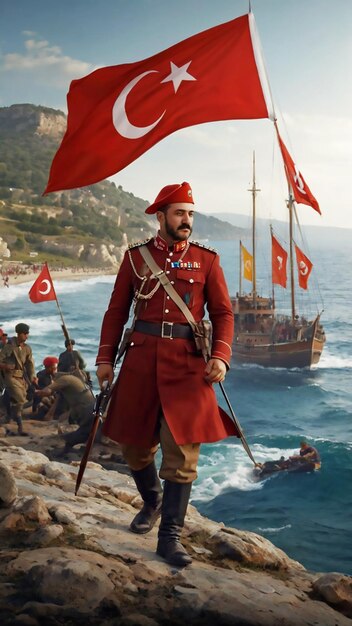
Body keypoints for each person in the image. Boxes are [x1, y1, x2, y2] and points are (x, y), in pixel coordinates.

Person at [96, 181, 238, 567]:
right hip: (140, 363)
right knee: (133, 446)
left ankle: (170, 537)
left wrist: (222, 357)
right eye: (179, 213)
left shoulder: (207, 261)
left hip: (187, 368)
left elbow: (223, 314)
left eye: (190, 213)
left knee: (182, 453)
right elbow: (116, 312)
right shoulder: (135, 258)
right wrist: (105, 359)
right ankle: (152, 500)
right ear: (161, 217)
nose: (186, 220)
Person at [35, 371, 96, 452]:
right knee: (89, 429)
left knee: (85, 431)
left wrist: (38, 392)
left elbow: (48, 390)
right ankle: (74, 445)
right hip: (90, 406)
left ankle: (67, 444)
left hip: (86, 408)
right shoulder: (72, 379)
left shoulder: (63, 379)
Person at [0, 323, 37, 435]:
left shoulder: (27, 348)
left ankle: (9, 416)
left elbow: (30, 365)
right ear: (19, 334)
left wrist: (33, 378)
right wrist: (5, 366)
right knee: (20, 399)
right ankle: (20, 425)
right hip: (10, 376)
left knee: (22, 399)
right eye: (25, 334)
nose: (27, 336)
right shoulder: (9, 346)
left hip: (21, 377)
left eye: (27, 334)